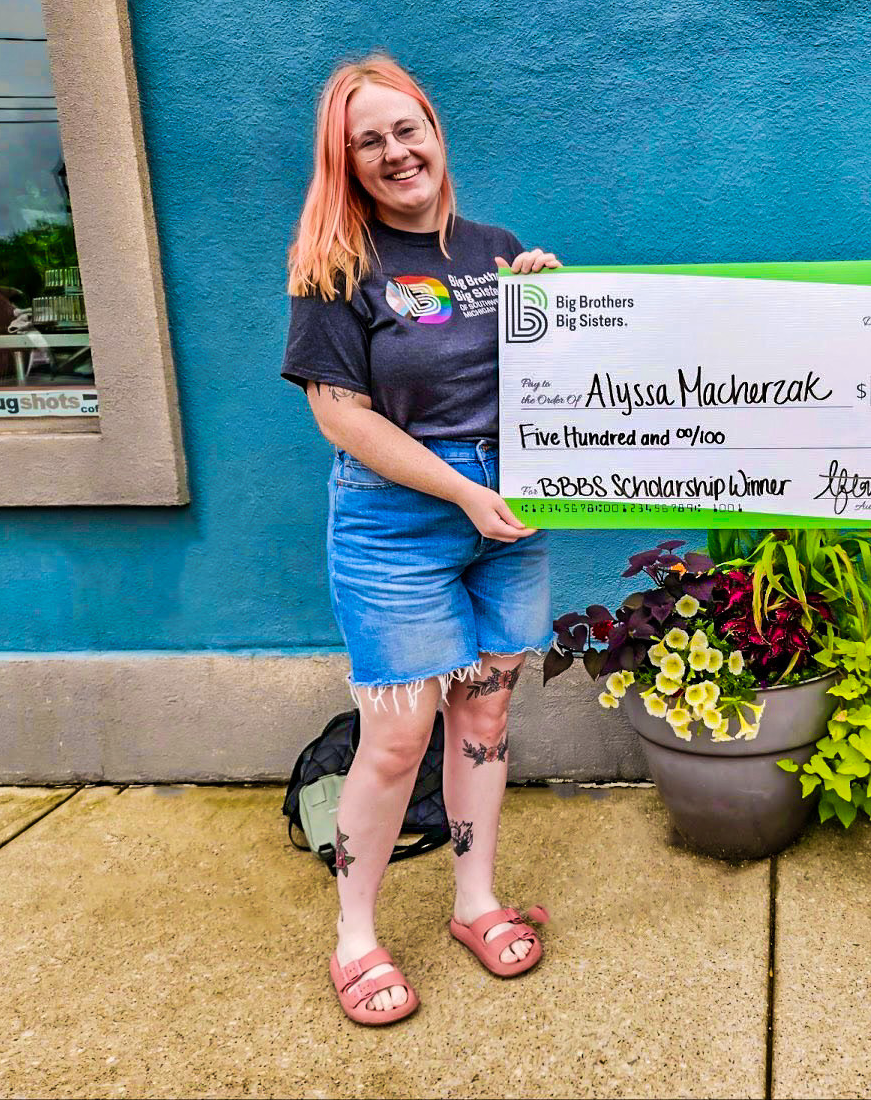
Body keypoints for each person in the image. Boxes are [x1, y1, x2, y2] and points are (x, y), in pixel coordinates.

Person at [281, 54, 561, 1026]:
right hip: (396, 518)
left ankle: (474, 903)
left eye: (408, 130)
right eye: (371, 140)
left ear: (436, 133)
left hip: (513, 517)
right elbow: (341, 416)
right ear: (347, 161)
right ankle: (355, 937)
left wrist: (559, 308)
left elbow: (559, 385)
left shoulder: (496, 248)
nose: (396, 151)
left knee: (482, 718)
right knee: (398, 735)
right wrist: (460, 491)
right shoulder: (335, 269)